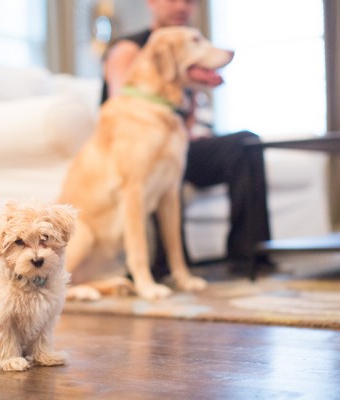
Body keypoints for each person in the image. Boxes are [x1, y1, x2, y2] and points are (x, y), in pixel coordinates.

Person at [101, 0, 272, 275]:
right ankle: (166, 267)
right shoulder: (129, 48)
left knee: (245, 144)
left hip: (186, 142)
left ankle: (250, 259)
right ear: (151, 2)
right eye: (172, 0)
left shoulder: (190, 46)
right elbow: (123, 106)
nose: (182, 6)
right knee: (161, 162)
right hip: (143, 145)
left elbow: (190, 115)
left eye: (190, 1)